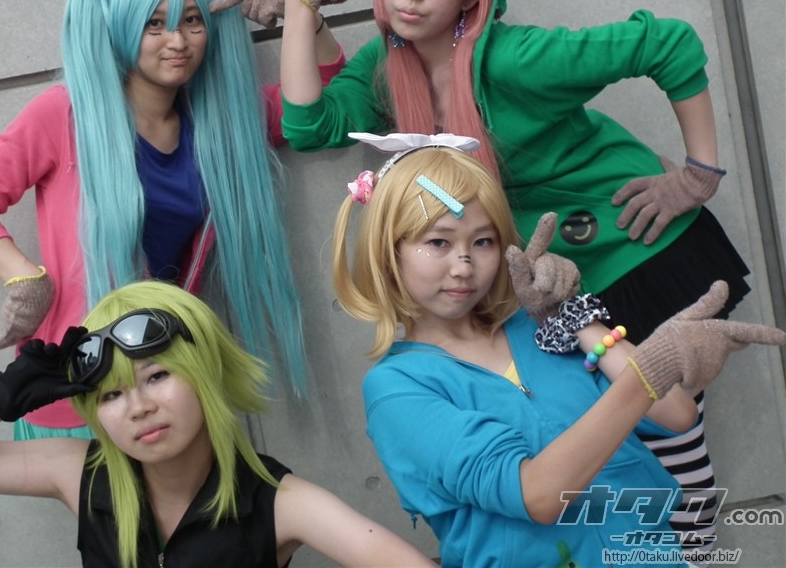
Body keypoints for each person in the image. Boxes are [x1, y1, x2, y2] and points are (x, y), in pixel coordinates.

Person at [219, 0, 752, 550]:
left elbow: (667, 43)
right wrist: (303, 1)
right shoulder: (387, 68)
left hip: (637, 253)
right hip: (548, 286)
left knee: (674, 466)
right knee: (604, 465)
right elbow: (310, 125)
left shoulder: (514, 57)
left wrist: (698, 174)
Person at [0, 0, 345, 439]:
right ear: (122, 28)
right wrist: (22, 276)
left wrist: (303, 8)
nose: (178, 41)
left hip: (162, 382)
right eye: (155, 24)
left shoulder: (225, 123)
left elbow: (321, 97)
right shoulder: (65, 115)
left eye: (192, 20)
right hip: (74, 389)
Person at [328, 134, 784, 567]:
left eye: (483, 241)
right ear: (390, 252)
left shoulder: (540, 327)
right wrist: (651, 368)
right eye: (438, 242)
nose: (464, 265)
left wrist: (573, 317)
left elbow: (676, 413)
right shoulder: (396, 388)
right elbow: (538, 495)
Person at [0, 280, 437, 568]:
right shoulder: (81, 475)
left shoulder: (279, 502)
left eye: (156, 377)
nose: (138, 407)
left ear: (204, 370)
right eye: (111, 394)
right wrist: (1, 397)